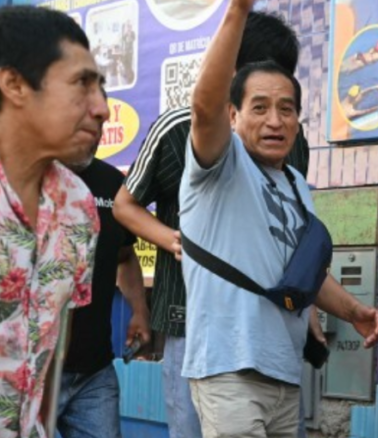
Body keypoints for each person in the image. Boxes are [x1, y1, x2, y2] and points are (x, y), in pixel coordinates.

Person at [180, 0, 378, 435]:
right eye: (259, 108)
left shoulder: (295, 183)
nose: (275, 121)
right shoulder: (220, 163)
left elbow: (302, 272)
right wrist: (236, 12)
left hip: (285, 375)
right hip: (228, 370)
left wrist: (353, 310)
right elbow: (203, 105)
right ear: (232, 115)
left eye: (286, 109)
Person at [112, 11, 310, 438]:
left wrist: (311, 313)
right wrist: (174, 240)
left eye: (283, 84)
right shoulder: (180, 128)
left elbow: (295, 230)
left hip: (271, 337)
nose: (274, 115)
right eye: (260, 79)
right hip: (193, 326)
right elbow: (124, 206)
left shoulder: (291, 141)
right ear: (234, 73)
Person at [0, 6, 108, 436]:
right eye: (82, 84)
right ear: (14, 84)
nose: (101, 108)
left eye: (101, 88)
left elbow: (49, 355)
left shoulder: (78, 206)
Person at [57, 115, 150, 438]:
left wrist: (138, 311)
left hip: (94, 373)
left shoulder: (112, 183)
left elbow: (125, 256)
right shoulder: (24, 180)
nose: (93, 130)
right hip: (33, 373)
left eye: (99, 122)